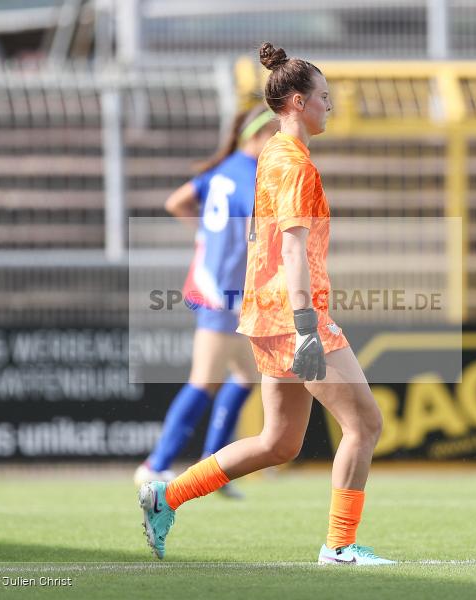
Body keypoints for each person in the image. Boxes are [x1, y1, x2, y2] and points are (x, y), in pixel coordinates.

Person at [138, 42, 394, 566]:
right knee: (365, 425)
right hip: (294, 315)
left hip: (264, 314)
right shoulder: (294, 163)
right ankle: (340, 546)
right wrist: (306, 327)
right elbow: (294, 251)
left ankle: (166, 496)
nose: (331, 106)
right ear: (297, 101)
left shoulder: (272, 153)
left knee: (278, 442)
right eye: (324, 97)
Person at [133, 104, 279, 499]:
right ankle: (156, 463)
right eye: (275, 135)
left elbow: (175, 201)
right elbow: (256, 234)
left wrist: (205, 236)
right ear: (259, 136)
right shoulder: (252, 175)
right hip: (226, 292)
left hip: (212, 285)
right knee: (205, 379)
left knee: (245, 376)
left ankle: (212, 467)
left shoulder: (221, 170)